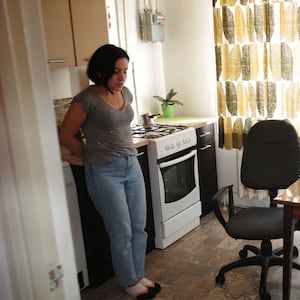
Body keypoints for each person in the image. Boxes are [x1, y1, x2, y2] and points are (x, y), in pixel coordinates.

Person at [59, 44, 161, 299]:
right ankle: (128, 281)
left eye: (125, 71)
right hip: (105, 173)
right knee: (121, 231)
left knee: (139, 227)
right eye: (116, 72)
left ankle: (138, 274)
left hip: (131, 164)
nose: (122, 78)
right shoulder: (86, 99)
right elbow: (66, 135)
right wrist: (89, 155)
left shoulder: (125, 93)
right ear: (101, 71)